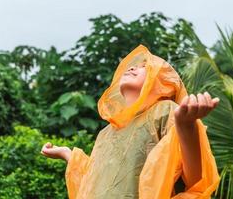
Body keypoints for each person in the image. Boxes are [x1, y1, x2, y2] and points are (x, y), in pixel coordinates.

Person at [41, 45, 220, 198]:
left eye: (145, 67)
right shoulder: (106, 133)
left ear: (161, 83)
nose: (133, 68)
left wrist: (186, 127)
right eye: (133, 65)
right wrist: (69, 156)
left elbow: (196, 181)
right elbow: (95, 184)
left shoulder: (164, 111)